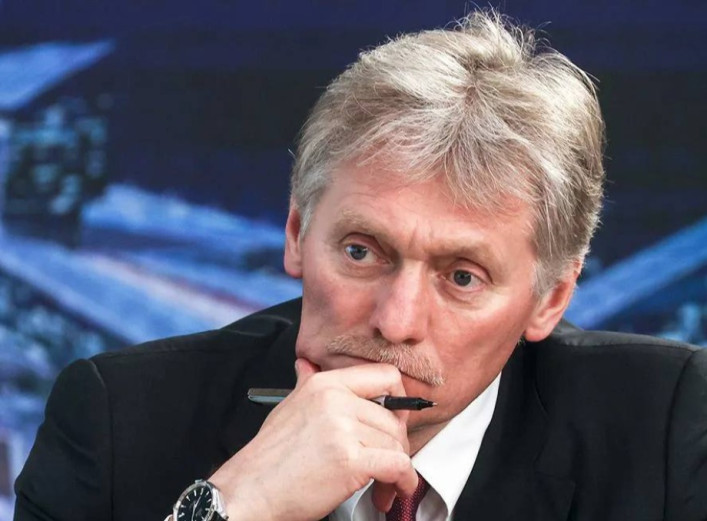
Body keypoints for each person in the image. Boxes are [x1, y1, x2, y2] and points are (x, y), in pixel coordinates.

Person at [14, 10, 707, 521]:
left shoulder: (666, 425)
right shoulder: (114, 418)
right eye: (361, 252)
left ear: (549, 299)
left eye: (461, 277)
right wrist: (232, 506)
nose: (395, 322)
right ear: (296, 233)